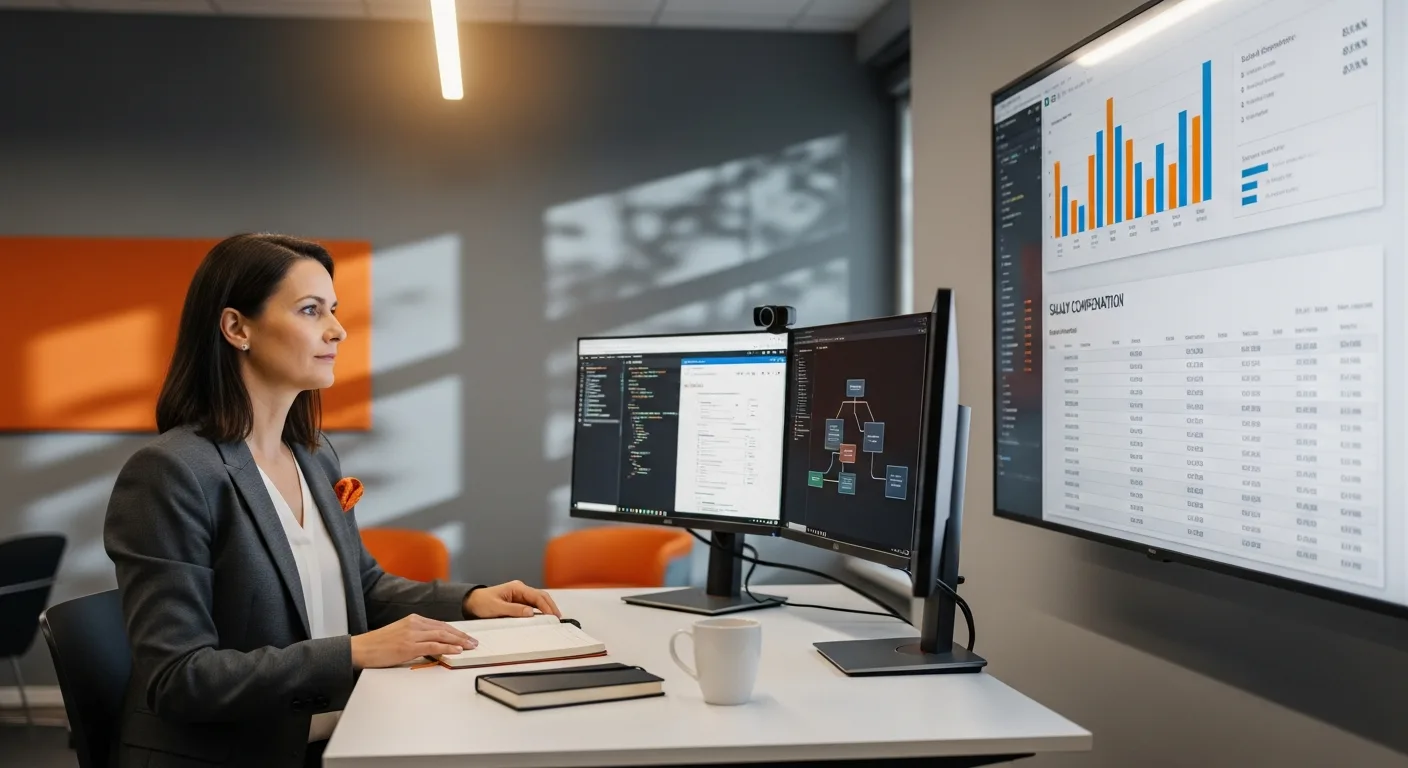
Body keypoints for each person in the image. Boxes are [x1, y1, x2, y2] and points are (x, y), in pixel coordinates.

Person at [103, 233, 559, 768]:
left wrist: (469, 601)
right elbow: (179, 678)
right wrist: (354, 652)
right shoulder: (171, 472)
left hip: (337, 736)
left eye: (334, 310)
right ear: (236, 328)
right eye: (310, 310)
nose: (338, 330)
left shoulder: (314, 457)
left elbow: (361, 587)